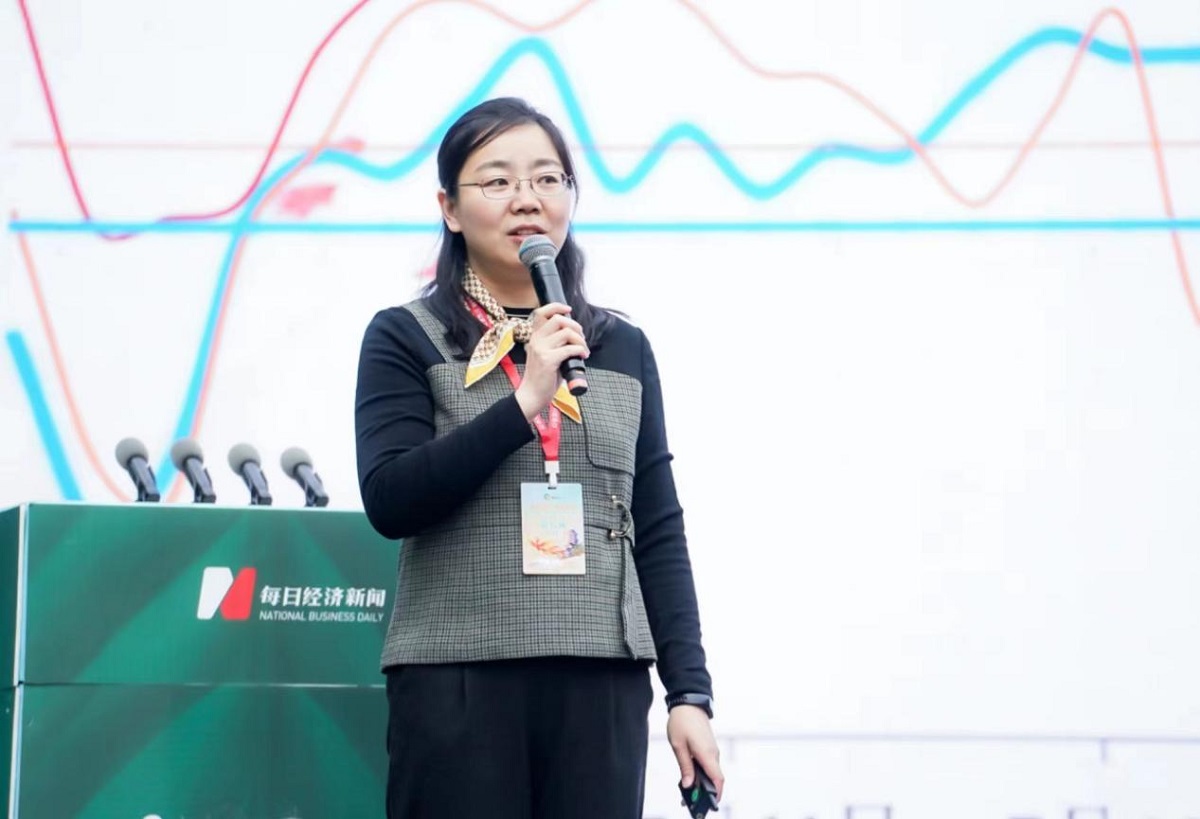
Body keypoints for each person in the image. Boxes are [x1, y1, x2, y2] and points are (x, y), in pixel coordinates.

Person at [355, 96, 723, 819]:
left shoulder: (617, 345)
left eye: (548, 178)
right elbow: (391, 497)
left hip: (600, 677)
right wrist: (524, 402)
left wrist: (689, 692)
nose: (527, 198)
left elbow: (657, 525)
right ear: (449, 208)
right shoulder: (406, 335)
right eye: (497, 181)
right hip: (457, 675)